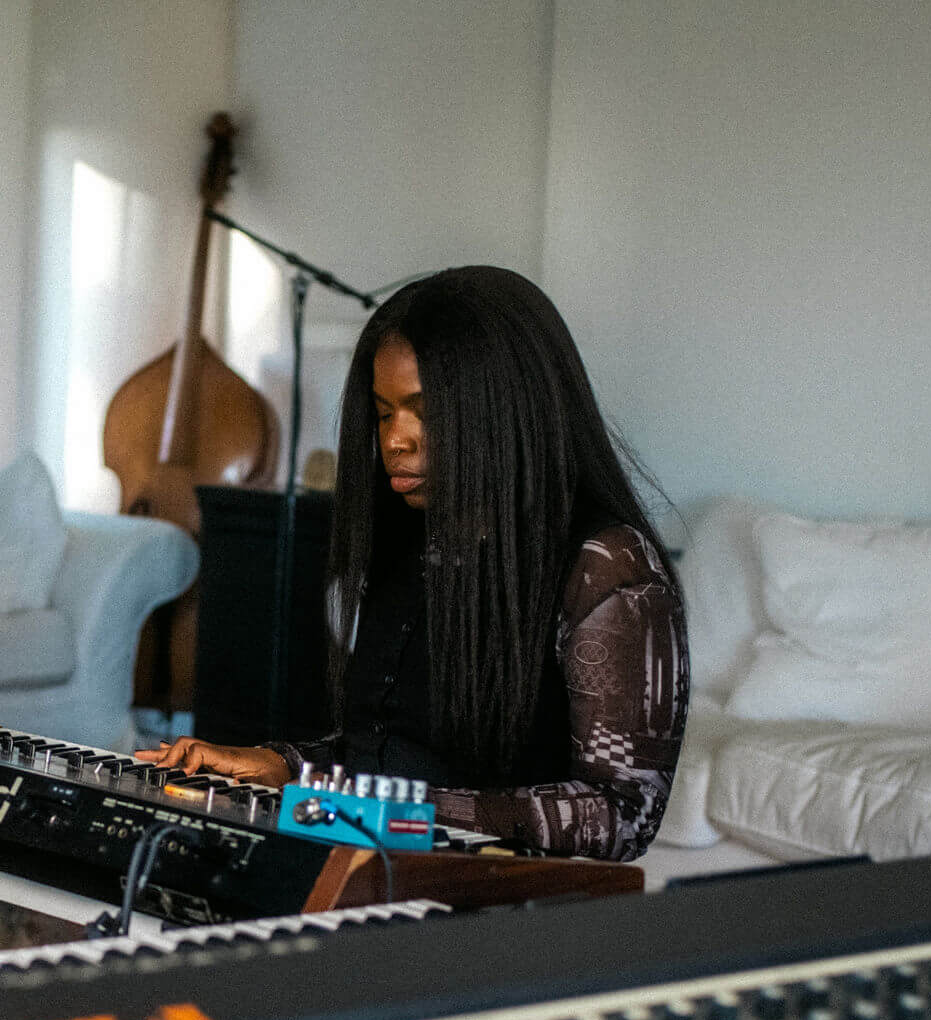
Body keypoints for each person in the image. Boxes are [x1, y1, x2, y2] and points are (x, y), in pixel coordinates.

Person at [136, 265, 687, 860]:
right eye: (383, 412)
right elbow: (392, 750)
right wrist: (280, 765)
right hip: (369, 869)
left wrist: (358, 801)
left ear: (504, 412)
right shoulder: (412, 540)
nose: (395, 439)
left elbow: (623, 814)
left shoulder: (608, 567)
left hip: (493, 916)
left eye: (424, 411)